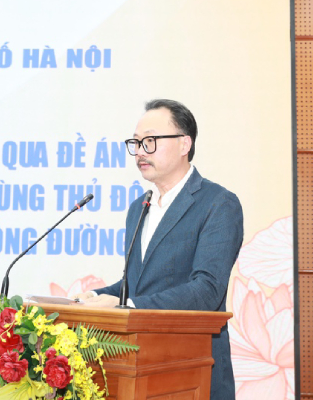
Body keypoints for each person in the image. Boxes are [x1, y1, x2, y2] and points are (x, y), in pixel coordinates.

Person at [76, 99, 243, 400]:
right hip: (138, 367)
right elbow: (136, 284)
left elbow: (207, 290)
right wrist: (93, 297)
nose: (140, 151)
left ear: (184, 144)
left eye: (150, 141)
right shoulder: (139, 208)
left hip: (191, 371)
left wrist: (129, 307)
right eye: (136, 143)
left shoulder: (218, 204)